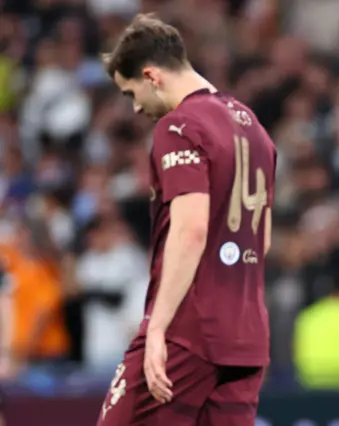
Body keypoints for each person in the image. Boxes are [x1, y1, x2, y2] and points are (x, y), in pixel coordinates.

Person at [97, 13, 277, 426]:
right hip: (247, 336)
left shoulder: (179, 126)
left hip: (189, 330)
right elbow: (260, 241)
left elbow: (191, 228)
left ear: (151, 75)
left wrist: (157, 329)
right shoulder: (255, 130)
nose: (138, 107)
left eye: (131, 93)